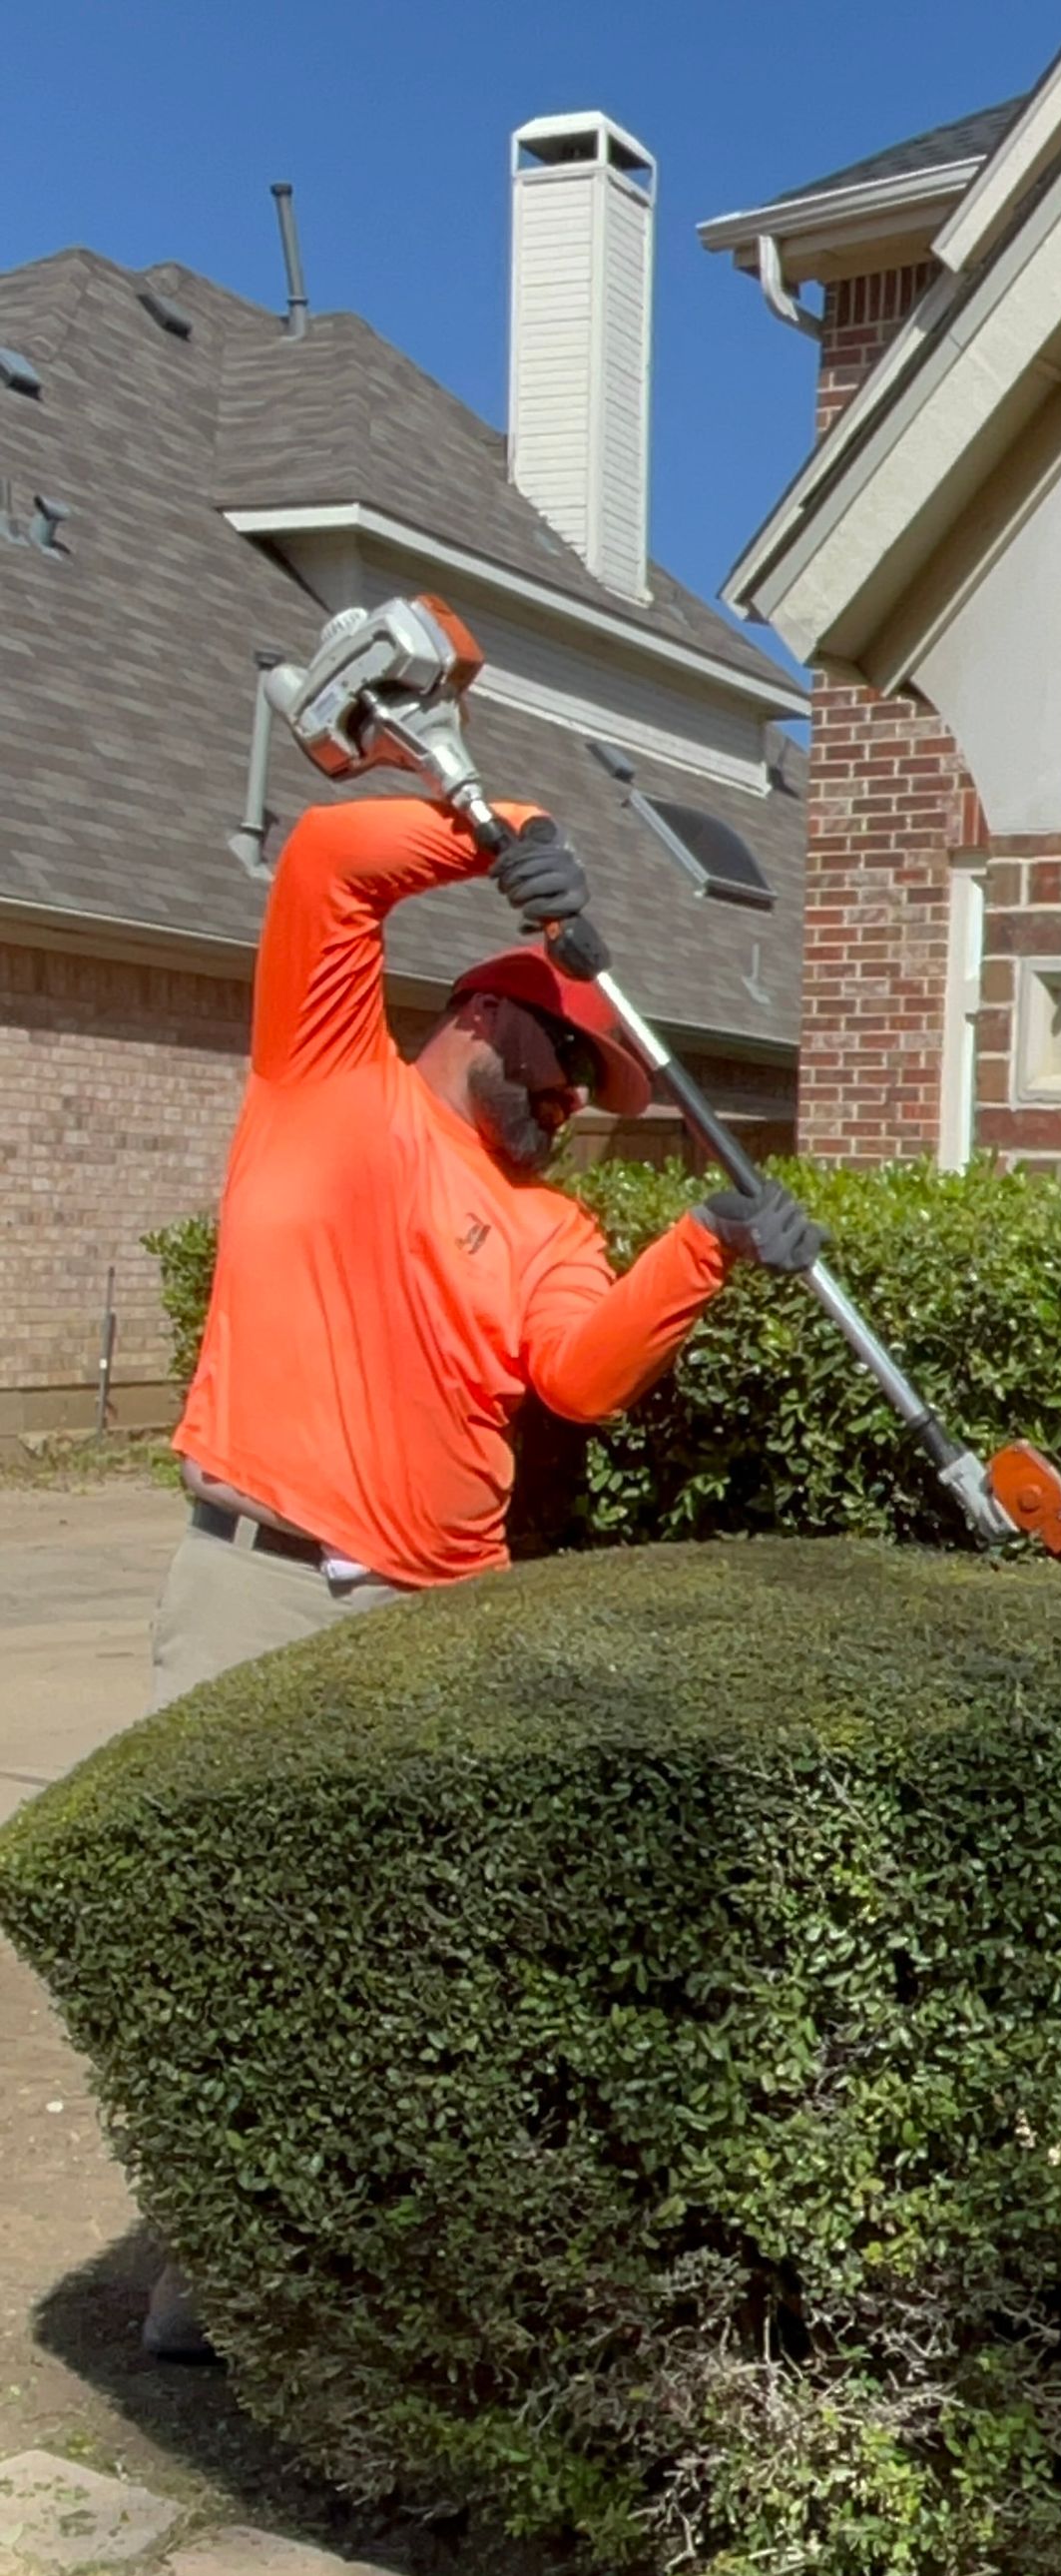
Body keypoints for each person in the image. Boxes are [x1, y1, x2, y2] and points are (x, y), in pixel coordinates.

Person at [141, 785, 819, 2355]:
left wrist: (706, 1246)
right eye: (563, 1058)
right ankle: (210, 2264)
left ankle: (367, 2266)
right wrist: (490, 826)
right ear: (487, 1008)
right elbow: (323, 863)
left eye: (589, 1082)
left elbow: (579, 1374)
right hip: (257, 1582)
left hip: (428, 1621)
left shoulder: (547, 1224)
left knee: (398, 1959)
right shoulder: (327, 1078)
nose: (571, 1097)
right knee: (219, 1931)